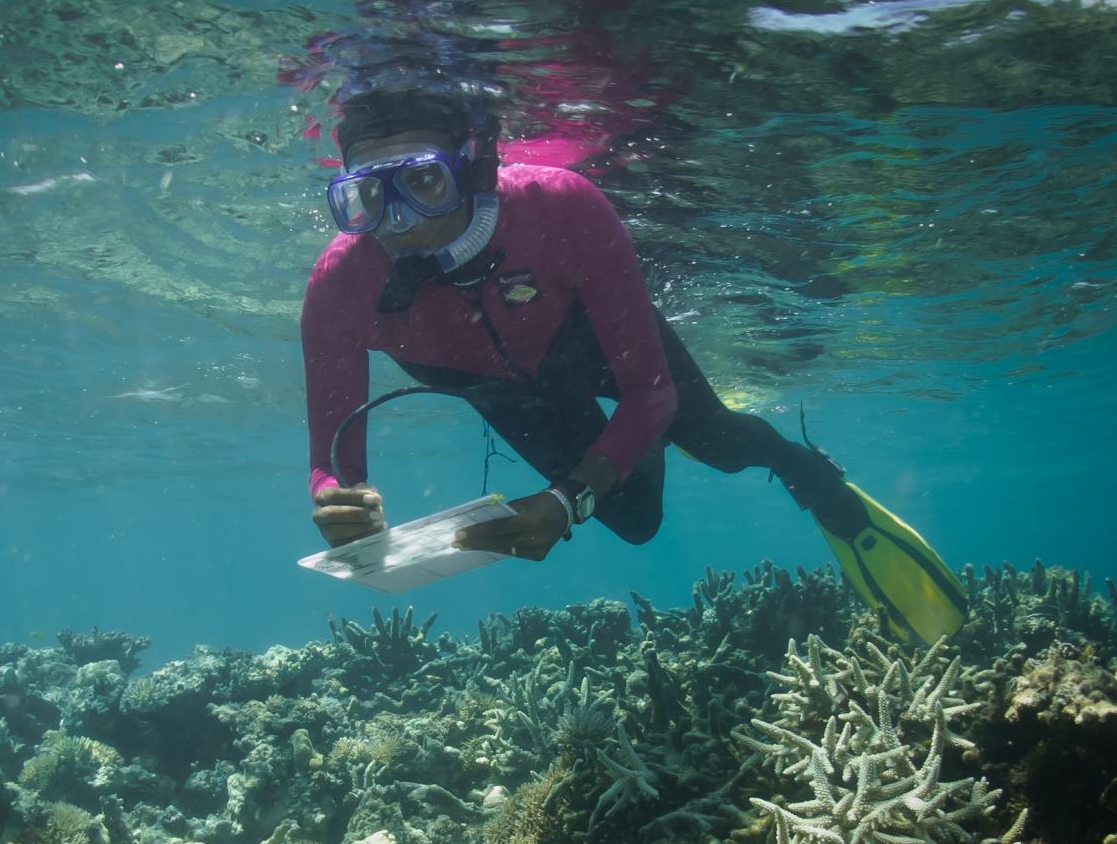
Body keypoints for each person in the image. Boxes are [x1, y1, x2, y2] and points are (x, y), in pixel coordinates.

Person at [301, 86, 966, 647]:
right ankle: (627, 457)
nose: (397, 222)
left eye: (422, 182)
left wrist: (568, 497)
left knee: (723, 445)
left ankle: (808, 474)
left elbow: (649, 393)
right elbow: (332, 459)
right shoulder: (339, 285)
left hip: (600, 353)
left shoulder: (561, 206)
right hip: (511, 394)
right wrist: (336, 501)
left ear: (470, 168)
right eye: (366, 195)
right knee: (637, 523)